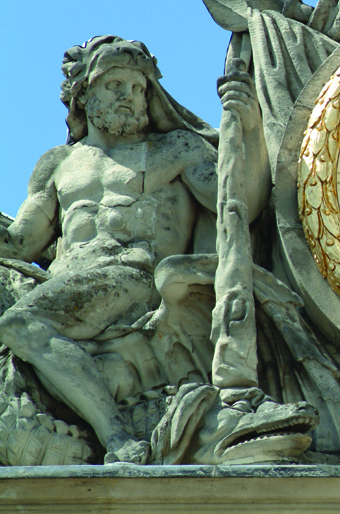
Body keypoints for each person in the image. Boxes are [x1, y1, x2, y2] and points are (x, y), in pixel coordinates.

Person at [0, 35, 268, 464]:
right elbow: (20, 243)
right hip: (70, 289)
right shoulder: (58, 164)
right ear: (84, 94)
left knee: (21, 324)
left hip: (136, 276)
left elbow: (240, 203)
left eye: (139, 88)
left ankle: (117, 436)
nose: (131, 97)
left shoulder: (176, 149)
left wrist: (250, 129)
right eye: (117, 85)